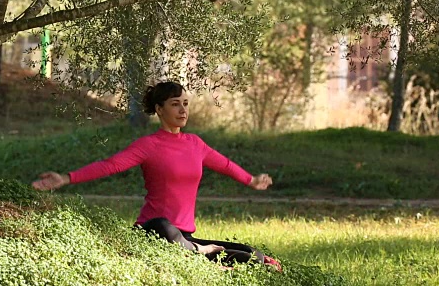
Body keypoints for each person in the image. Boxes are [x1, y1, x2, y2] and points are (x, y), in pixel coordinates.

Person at [32, 81, 282, 272]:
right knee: (164, 225)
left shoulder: (195, 143)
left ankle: (198, 252)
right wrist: (66, 178)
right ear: (159, 109)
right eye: (175, 104)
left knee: (252, 255)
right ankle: (199, 253)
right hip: (154, 231)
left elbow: (225, 164)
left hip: (183, 236)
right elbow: (111, 165)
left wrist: (251, 180)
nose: (183, 109)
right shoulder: (148, 145)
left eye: (185, 103)